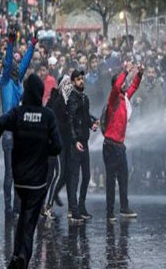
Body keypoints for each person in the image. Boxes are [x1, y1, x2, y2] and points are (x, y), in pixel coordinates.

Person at [0, 74, 62, 269]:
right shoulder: (48, 116)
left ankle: (16, 255)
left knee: (23, 217)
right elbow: (57, 147)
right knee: (29, 220)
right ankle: (22, 256)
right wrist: (42, 149)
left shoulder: (17, 113)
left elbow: (0, 124)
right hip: (38, 181)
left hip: (20, 179)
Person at [0, 31, 36, 217]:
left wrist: (32, 45)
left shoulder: (17, 80)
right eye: (14, 64)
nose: (16, 66)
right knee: (10, 174)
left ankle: (16, 208)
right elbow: (7, 62)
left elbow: (25, 63)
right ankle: (8, 210)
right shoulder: (5, 81)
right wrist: (10, 44)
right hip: (8, 133)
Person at [103, 62, 142, 222]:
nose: (125, 85)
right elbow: (118, 85)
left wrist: (139, 74)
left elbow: (134, 87)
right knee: (111, 180)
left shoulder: (124, 99)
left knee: (123, 177)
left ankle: (124, 208)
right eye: (122, 83)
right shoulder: (113, 99)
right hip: (111, 146)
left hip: (120, 146)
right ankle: (110, 211)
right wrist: (125, 72)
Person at [67, 69, 98, 223]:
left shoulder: (84, 98)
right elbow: (71, 121)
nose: (81, 81)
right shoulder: (72, 99)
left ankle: (81, 205)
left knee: (86, 176)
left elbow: (85, 118)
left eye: (82, 79)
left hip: (84, 142)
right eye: (78, 79)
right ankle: (74, 210)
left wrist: (92, 125)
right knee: (74, 177)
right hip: (76, 143)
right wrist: (74, 141)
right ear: (73, 82)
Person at [44, 75, 72, 220]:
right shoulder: (58, 101)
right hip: (55, 143)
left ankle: (45, 204)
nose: (69, 86)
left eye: (70, 84)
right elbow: (57, 122)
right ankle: (48, 206)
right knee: (57, 174)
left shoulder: (65, 101)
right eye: (66, 84)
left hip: (60, 142)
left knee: (52, 175)